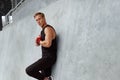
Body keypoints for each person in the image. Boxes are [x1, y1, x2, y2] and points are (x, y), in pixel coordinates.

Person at [26, 12, 57, 80]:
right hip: (45, 58)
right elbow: (37, 44)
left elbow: (48, 44)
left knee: (29, 70)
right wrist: (38, 41)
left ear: (44, 18)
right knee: (43, 76)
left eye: (39, 19)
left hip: (49, 58)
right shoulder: (42, 31)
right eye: (36, 20)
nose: (38, 21)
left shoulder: (47, 29)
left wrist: (40, 42)